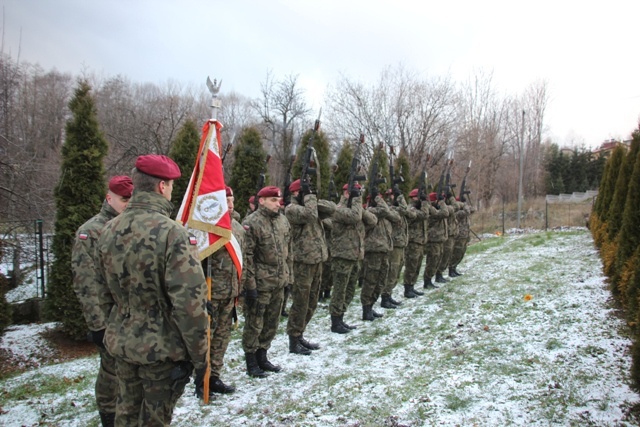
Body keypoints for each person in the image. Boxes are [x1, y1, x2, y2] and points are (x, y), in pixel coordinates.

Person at [95, 155, 209, 426]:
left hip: (123, 345)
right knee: (155, 420)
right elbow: (189, 306)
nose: (171, 190)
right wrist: (200, 358)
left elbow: (102, 293)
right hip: (161, 351)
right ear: (162, 187)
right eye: (170, 185)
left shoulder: (109, 229)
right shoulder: (172, 234)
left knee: (126, 413)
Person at [72, 175, 133, 427]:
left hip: (132, 314)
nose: (128, 204)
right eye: (123, 199)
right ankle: (108, 416)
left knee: (130, 371)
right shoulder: (91, 231)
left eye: (132, 199)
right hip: (109, 315)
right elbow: (85, 282)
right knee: (110, 371)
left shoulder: (131, 226)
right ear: (109, 198)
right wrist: (97, 325)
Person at [196, 186, 244, 398]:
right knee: (206, 339)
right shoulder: (205, 227)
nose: (231, 203)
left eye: (232, 199)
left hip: (230, 292)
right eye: (226, 200)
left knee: (222, 338)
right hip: (211, 293)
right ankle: (202, 380)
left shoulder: (237, 227)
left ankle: (214, 376)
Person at [241, 185, 293, 377]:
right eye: (272, 200)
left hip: (279, 282)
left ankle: (263, 355)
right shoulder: (252, 223)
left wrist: (289, 276)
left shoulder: (283, 221)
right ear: (261, 201)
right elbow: (248, 256)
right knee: (255, 323)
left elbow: (289, 250)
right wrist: (250, 286)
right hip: (261, 284)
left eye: (278, 200)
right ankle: (251, 361)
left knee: (271, 322)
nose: (276, 203)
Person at [284, 179, 335, 354]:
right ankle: (294, 338)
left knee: (312, 301)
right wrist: (308, 199)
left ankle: (300, 334)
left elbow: (332, 209)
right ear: (296, 193)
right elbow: (310, 215)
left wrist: (311, 196)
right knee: (300, 302)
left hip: (316, 260)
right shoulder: (292, 209)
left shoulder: (310, 206)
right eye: (305, 192)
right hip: (302, 263)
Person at [328, 183, 376, 333]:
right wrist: (355, 202)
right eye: (355, 193)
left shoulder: (356, 210)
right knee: (340, 290)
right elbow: (355, 218)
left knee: (349, 290)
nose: (358, 195)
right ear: (346, 193)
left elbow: (373, 220)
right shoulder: (338, 209)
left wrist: (358, 206)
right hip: (342, 256)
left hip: (355, 255)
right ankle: (335, 321)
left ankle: (341, 317)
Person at [360, 191, 399, 320]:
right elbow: (384, 210)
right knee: (370, 281)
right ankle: (366, 309)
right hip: (373, 251)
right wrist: (377, 197)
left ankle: (371, 306)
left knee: (380, 281)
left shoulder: (383, 213)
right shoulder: (369, 211)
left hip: (384, 249)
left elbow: (396, 217)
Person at [381, 187, 416, 308]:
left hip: (401, 243)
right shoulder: (389, 208)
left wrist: (400, 198)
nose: (393, 197)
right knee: (392, 271)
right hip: (394, 244)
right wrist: (400, 199)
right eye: (392, 195)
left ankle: (389, 294)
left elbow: (410, 213)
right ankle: (385, 297)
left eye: (394, 195)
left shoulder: (400, 208)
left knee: (397, 271)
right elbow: (401, 211)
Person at [403, 188, 438, 297]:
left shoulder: (421, 207)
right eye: (418, 197)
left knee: (417, 265)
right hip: (413, 242)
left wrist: (426, 202)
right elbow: (423, 215)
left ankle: (412, 286)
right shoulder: (411, 208)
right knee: (411, 265)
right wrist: (424, 203)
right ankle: (407, 288)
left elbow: (431, 213)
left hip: (420, 241)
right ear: (413, 198)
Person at [424, 192, 450, 289]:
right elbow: (445, 213)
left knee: (437, 260)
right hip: (433, 239)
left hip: (439, 239)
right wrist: (442, 203)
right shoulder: (431, 210)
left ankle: (433, 277)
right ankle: (427, 280)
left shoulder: (436, 209)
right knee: (432, 260)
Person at [449, 195, 474, 276]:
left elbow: (473, 209)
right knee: (456, 253)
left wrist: (465, 203)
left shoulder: (465, 209)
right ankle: (451, 269)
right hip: (459, 235)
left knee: (461, 253)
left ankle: (454, 267)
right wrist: (463, 205)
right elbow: (467, 212)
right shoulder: (458, 212)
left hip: (465, 234)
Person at [436, 194, 458, 282]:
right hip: (445, 235)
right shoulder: (440, 208)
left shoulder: (444, 207)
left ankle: (441, 273)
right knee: (444, 255)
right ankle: (438, 274)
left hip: (448, 234)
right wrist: (450, 198)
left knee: (447, 254)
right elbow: (454, 208)